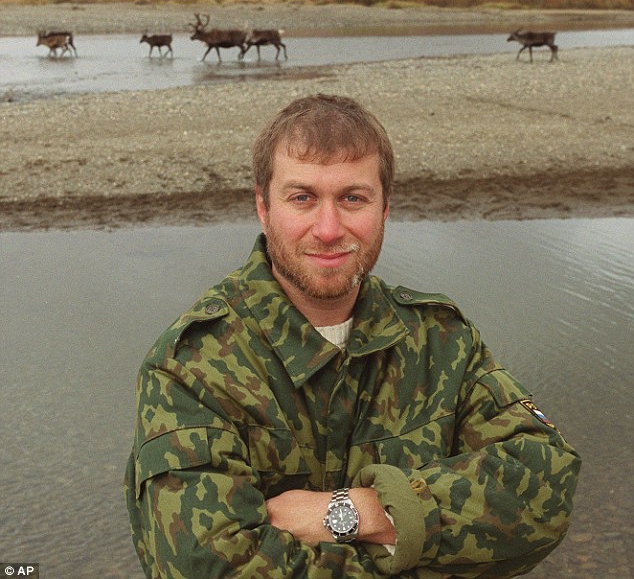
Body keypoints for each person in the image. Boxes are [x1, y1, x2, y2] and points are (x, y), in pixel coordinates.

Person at [125, 93, 580, 578]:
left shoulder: (439, 340)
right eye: (302, 197)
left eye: (353, 199)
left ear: (384, 209)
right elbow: (207, 566)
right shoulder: (190, 366)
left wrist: (361, 512)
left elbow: (544, 483)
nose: (328, 229)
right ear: (263, 206)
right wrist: (433, 549)